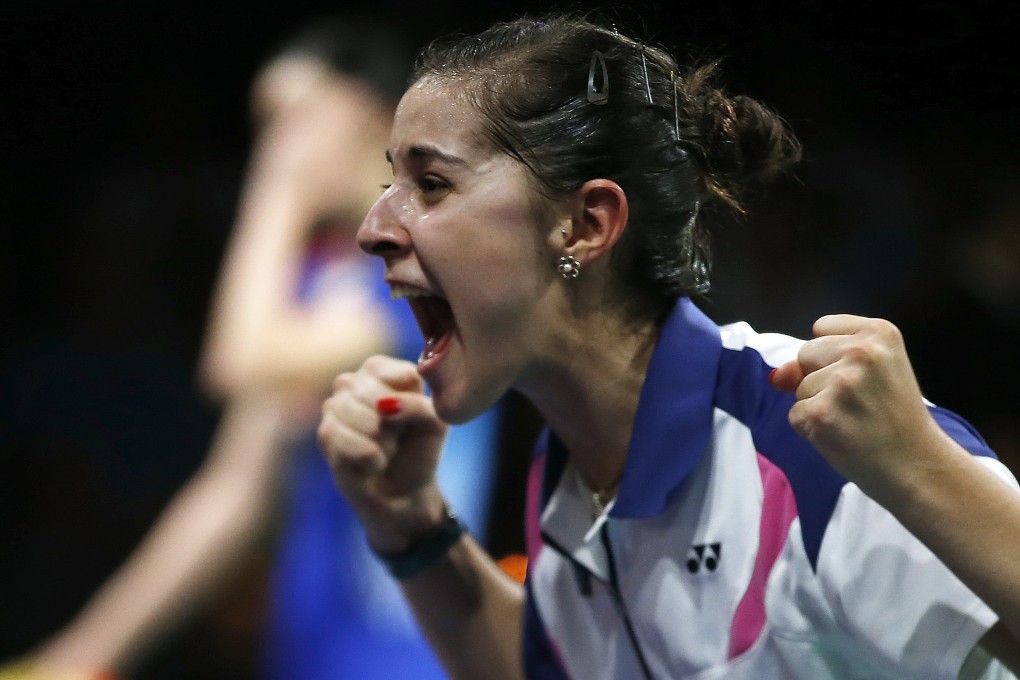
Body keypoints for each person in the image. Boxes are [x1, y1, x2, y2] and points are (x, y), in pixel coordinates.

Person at [316, 13, 1020, 680]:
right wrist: (410, 524)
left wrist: (923, 470)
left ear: (586, 224)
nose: (374, 227)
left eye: (431, 184)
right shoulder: (566, 480)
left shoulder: (804, 441)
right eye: (389, 184)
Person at [0, 16, 498, 680]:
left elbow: (233, 363)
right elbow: (234, 492)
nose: (276, 147)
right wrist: (83, 660)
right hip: (309, 648)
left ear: (367, 113)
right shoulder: (317, 283)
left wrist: (275, 194)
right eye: (265, 127)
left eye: (293, 119)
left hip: (416, 653)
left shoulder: (423, 267)